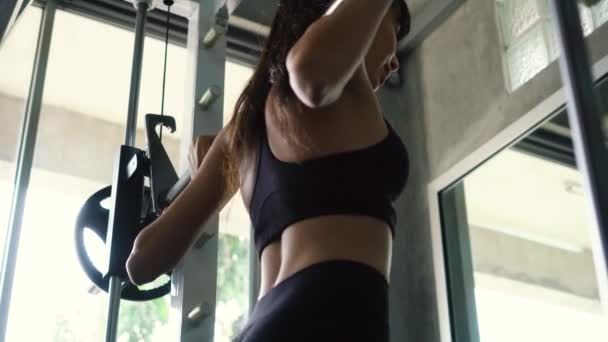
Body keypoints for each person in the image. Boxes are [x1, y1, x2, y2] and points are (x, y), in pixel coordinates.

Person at [126, 0, 411, 340]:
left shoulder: (241, 132)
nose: (395, 63)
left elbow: (142, 261)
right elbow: (311, 75)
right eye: (394, 28)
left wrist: (203, 179)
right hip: (323, 319)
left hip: (266, 326)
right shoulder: (325, 85)